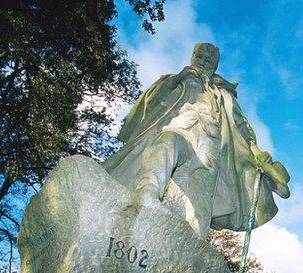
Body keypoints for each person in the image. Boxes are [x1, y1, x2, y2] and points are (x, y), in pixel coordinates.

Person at [103, 43, 290, 238]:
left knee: (200, 195)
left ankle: (194, 241)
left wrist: (256, 151)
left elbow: (242, 126)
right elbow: (149, 104)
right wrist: (178, 79)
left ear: (215, 66)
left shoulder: (224, 94)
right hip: (181, 126)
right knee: (166, 144)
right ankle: (144, 197)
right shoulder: (175, 80)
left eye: (208, 60)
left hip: (210, 141)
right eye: (199, 57)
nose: (202, 62)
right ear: (192, 56)